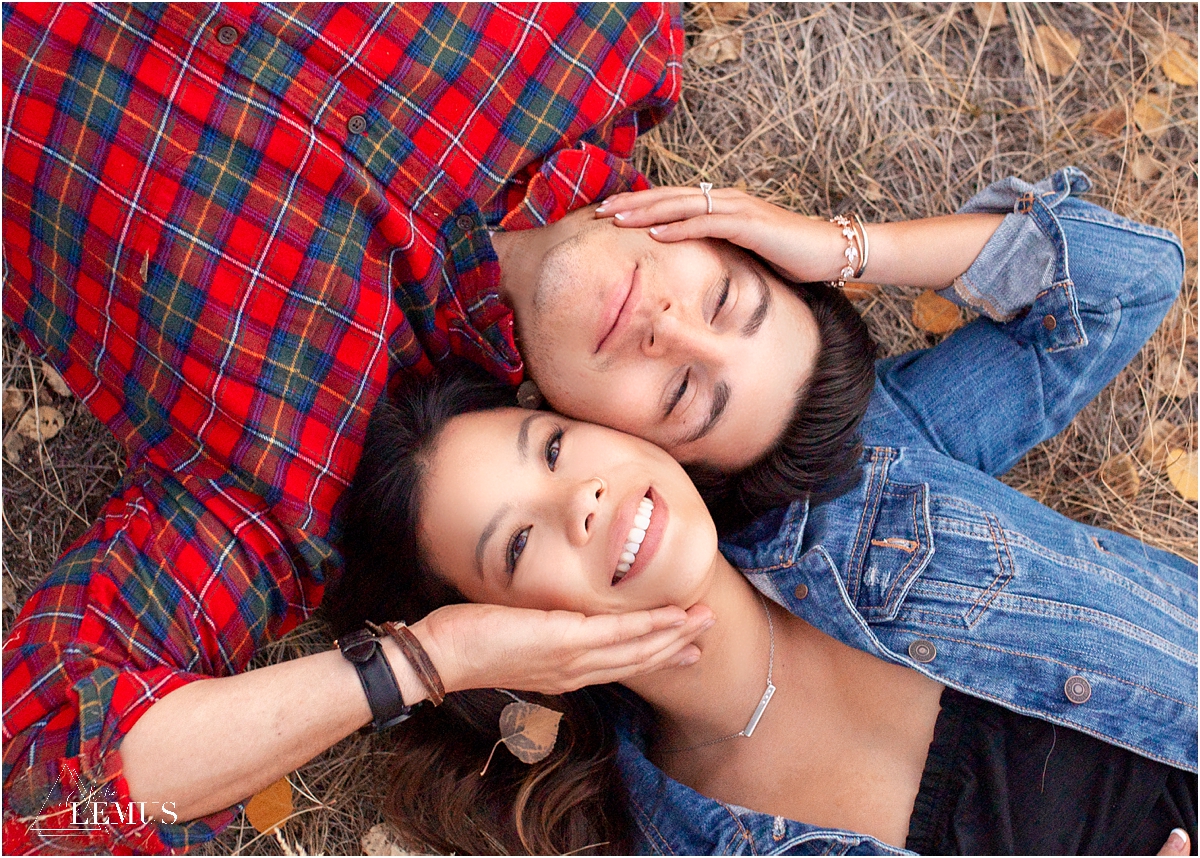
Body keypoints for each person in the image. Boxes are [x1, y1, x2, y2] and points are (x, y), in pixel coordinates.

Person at [330, 362, 1196, 855]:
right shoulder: (695, 842)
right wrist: (431, 663)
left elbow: (1111, 284)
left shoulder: (859, 479)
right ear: (499, 641)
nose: (581, 501)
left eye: (554, 447)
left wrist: (835, 252)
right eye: (517, 547)